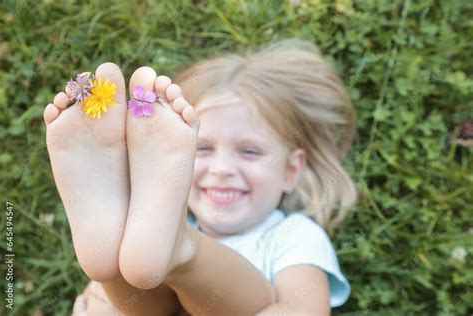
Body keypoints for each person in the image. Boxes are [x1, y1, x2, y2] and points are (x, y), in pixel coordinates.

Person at [43, 39, 358, 315]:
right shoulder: (152, 227)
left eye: (249, 152)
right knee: (132, 285)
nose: (222, 169)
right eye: (203, 148)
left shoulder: (292, 235)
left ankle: (183, 250)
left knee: (237, 295)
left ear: (290, 170)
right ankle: (122, 249)